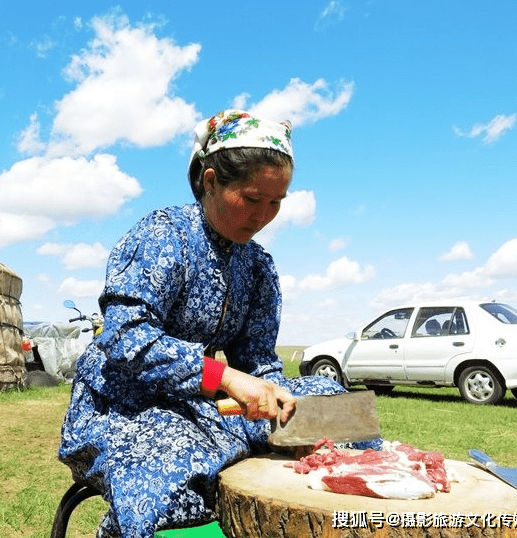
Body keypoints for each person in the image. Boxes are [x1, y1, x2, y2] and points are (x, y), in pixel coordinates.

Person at [58, 110, 379, 538]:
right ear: (210, 181)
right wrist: (223, 377)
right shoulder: (164, 235)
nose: (263, 215)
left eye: (276, 202)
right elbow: (124, 332)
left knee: (330, 404)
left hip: (202, 405)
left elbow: (258, 362)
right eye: (251, 199)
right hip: (124, 407)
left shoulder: (258, 267)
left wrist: (277, 404)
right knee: (171, 468)